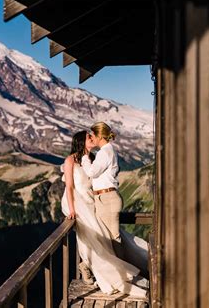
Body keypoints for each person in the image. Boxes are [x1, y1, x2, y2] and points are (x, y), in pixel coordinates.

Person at [61, 131, 148, 297]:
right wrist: (72, 209)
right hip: (79, 203)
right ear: (81, 141)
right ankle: (105, 273)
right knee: (93, 237)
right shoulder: (70, 160)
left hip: (93, 202)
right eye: (89, 137)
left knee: (104, 238)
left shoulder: (93, 159)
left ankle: (87, 265)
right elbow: (69, 187)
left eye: (93, 135)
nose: (92, 138)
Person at [81, 121, 124, 258]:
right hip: (105, 198)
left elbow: (92, 172)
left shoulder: (105, 152)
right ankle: (119, 274)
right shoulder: (108, 150)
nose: (91, 138)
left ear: (99, 136)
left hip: (107, 199)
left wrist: (85, 157)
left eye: (92, 135)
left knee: (112, 239)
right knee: (109, 238)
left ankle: (123, 275)